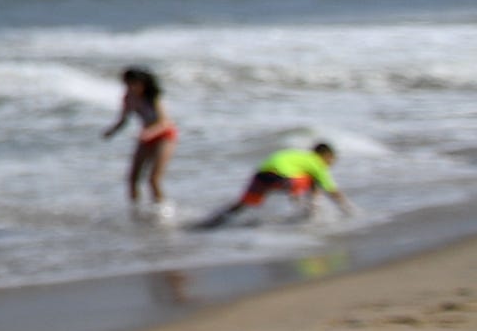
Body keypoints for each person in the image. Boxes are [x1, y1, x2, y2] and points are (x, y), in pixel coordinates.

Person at [197, 141, 352, 230]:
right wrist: (349, 211)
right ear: (326, 156)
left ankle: (211, 223)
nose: (331, 163)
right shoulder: (316, 162)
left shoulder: (299, 156)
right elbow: (333, 191)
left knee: (244, 204)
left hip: (262, 174)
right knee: (313, 180)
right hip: (281, 177)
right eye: (332, 159)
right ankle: (306, 216)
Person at [101, 65, 178, 213]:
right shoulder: (128, 98)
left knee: (153, 179)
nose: (129, 87)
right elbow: (123, 120)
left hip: (164, 136)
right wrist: (111, 131)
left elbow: (165, 122)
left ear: (142, 83)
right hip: (145, 136)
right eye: (127, 84)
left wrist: (149, 133)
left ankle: (163, 210)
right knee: (132, 179)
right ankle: (135, 211)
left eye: (132, 84)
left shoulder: (154, 97)